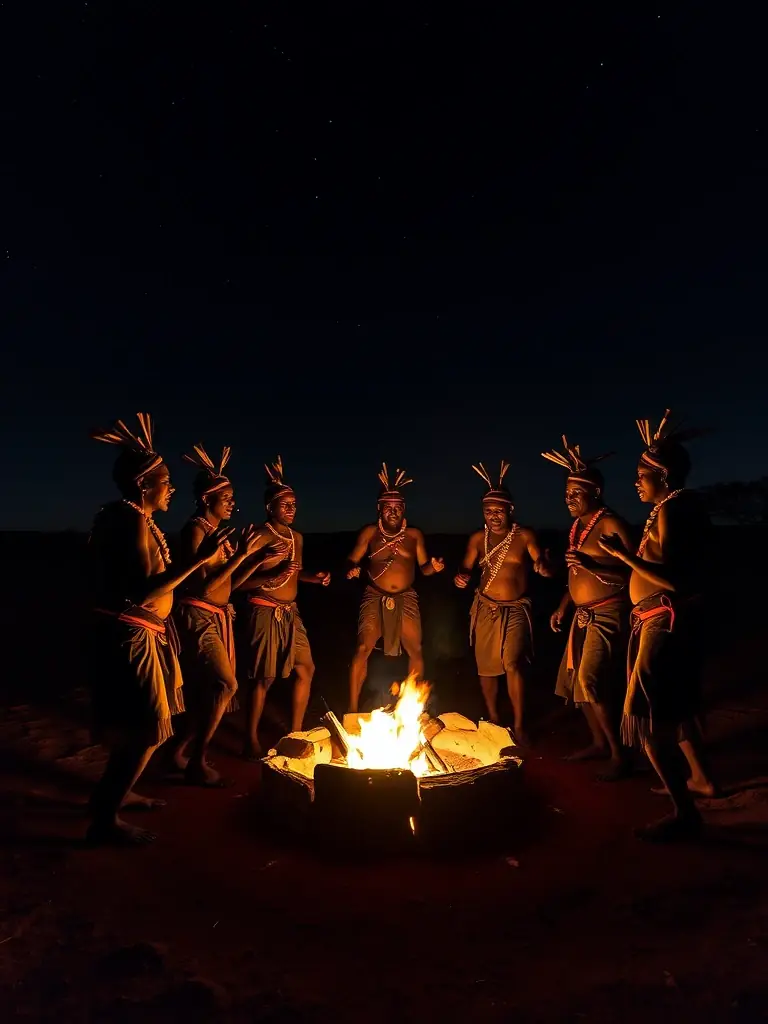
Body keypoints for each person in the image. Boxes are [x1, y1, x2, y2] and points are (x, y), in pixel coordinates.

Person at [86, 414, 231, 845]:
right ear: (142, 484)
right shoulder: (129, 519)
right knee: (147, 727)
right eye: (165, 481)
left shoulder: (138, 519)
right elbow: (144, 589)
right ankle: (104, 822)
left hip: (145, 633)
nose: (171, 489)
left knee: (140, 725)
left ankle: (114, 796)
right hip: (133, 634)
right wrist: (199, 559)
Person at [598, 409, 718, 841]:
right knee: (676, 709)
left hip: (663, 623)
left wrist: (622, 555)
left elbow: (674, 579)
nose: (636, 482)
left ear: (663, 476)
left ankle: (685, 814)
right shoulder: (675, 508)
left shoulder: (674, 509)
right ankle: (701, 781)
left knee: (647, 717)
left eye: (641, 475)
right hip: (661, 620)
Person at [542, 437, 633, 780]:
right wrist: (564, 605)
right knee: (576, 686)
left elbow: (636, 572)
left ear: (596, 492)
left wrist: (594, 568)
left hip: (608, 612)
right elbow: (575, 571)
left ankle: (619, 755)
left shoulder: (611, 523)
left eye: (576, 493)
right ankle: (598, 742)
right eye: (566, 494)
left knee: (591, 680)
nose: (568, 499)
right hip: (581, 615)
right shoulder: (578, 527)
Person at [172, 444, 261, 785]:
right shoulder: (195, 531)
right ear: (206, 499)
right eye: (226, 498)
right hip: (198, 616)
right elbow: (203, 588)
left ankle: (178, 752)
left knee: (211, 690)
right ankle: (196, 760)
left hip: (217, 616)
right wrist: (238, 557)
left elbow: (228, 585)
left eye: (233, 498)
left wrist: (249, 558)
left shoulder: (216, 535)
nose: (233, 503)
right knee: (226, 685)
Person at [232, 456, 330, 758]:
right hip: (264, 610)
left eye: (294, 504)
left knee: (306, 668)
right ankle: (250, 739)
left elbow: (293, 573)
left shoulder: (296, 537)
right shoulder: (258, 536)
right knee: (264, 678)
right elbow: (236, 582)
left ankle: (295, 732)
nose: (291, 509)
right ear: (269, 507)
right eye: (284, 504)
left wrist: (314, 578)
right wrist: (271, 574)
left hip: (291, 613)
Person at [454, 461, 553, 744]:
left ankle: (519, 726)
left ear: (510, 509)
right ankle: (494, 720)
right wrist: (460, 577)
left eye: (498, 511)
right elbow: (465, 568)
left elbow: (541, 562)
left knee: (512, 664)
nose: (493, 516)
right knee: (486, 668)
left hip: (516, 609)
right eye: (488, 512)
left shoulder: (524, 536)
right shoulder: (477, 539)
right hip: (486, 607)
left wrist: (545, 566)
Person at [346, 464, 444, 713]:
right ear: (379, 508)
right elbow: (352, 559)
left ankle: (412, 708)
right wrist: (352, 569)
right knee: (362, 648)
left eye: (398, 507)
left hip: (406, 596)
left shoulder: (414, 535)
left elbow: (424, 568)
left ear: (404, 509)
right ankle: (352, 709)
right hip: (374, 595)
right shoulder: (370, 533)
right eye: (388, 507)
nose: (393, 511)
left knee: (416, 650)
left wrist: (434, 567)